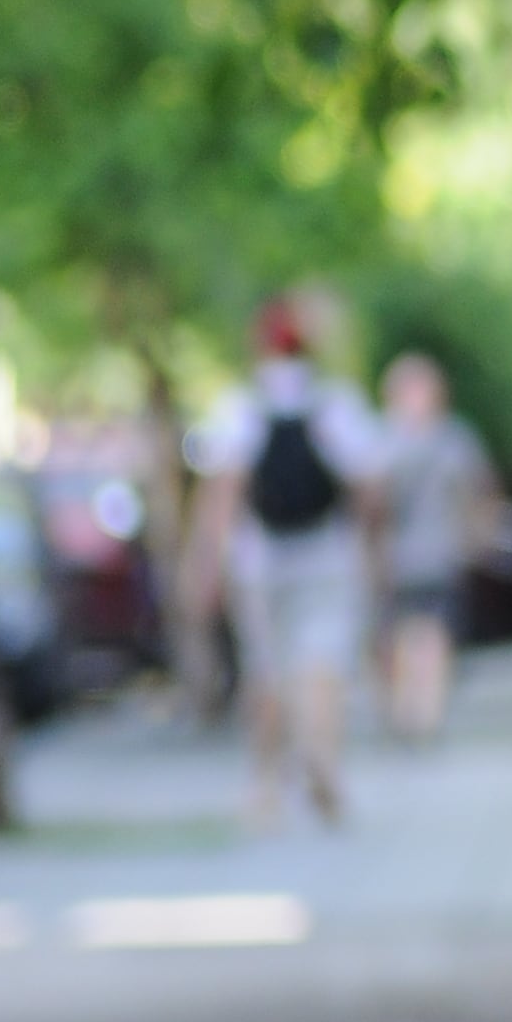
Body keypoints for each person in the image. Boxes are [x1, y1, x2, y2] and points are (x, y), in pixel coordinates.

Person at [183, 298, 384, 831]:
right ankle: (323, 758)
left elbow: (223, 494)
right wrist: (370, 549)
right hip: (328, 553)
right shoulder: (336, 404)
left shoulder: (240, 407)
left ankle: (266, 782)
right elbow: (369, 489)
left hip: (260, 561)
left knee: (266, 670)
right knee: (324, 665)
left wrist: (207, 564)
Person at [368, 353, 497, 747]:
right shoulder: (451, 439)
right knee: (404, 638)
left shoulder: (383, 440)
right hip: (404, 557)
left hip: (430, 555)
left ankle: (419, 713)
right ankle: (414, 711)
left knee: (428, 635)